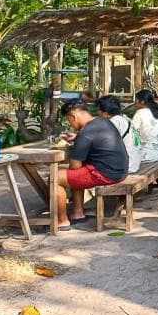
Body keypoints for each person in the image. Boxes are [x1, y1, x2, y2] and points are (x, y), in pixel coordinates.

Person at [57, 99, 128, 231]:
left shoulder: (85, 133)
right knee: (75, 173)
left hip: (107, 174)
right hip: (120, 170)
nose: (70, 124)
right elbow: (93, 137)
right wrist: (78, 138)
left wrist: (80, 140)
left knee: (56, 178)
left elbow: (74, 166)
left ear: (74, 116)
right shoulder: (102, 121)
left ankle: (62, 221)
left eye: (69, 120)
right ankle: (77, 213)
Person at [96, 95, 143, 173]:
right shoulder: (124, 118)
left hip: (127, 165)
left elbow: (100, 142)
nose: (97, 112)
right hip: (134, 162)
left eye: (99, 110)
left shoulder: (115, 121)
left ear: (106, 113)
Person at [132, 89, 158, 163]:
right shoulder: (157, 111)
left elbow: (131, 131)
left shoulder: (140, 113)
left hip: (148, 153)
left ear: (142, 102)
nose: (135, 103)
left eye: (136, 100)